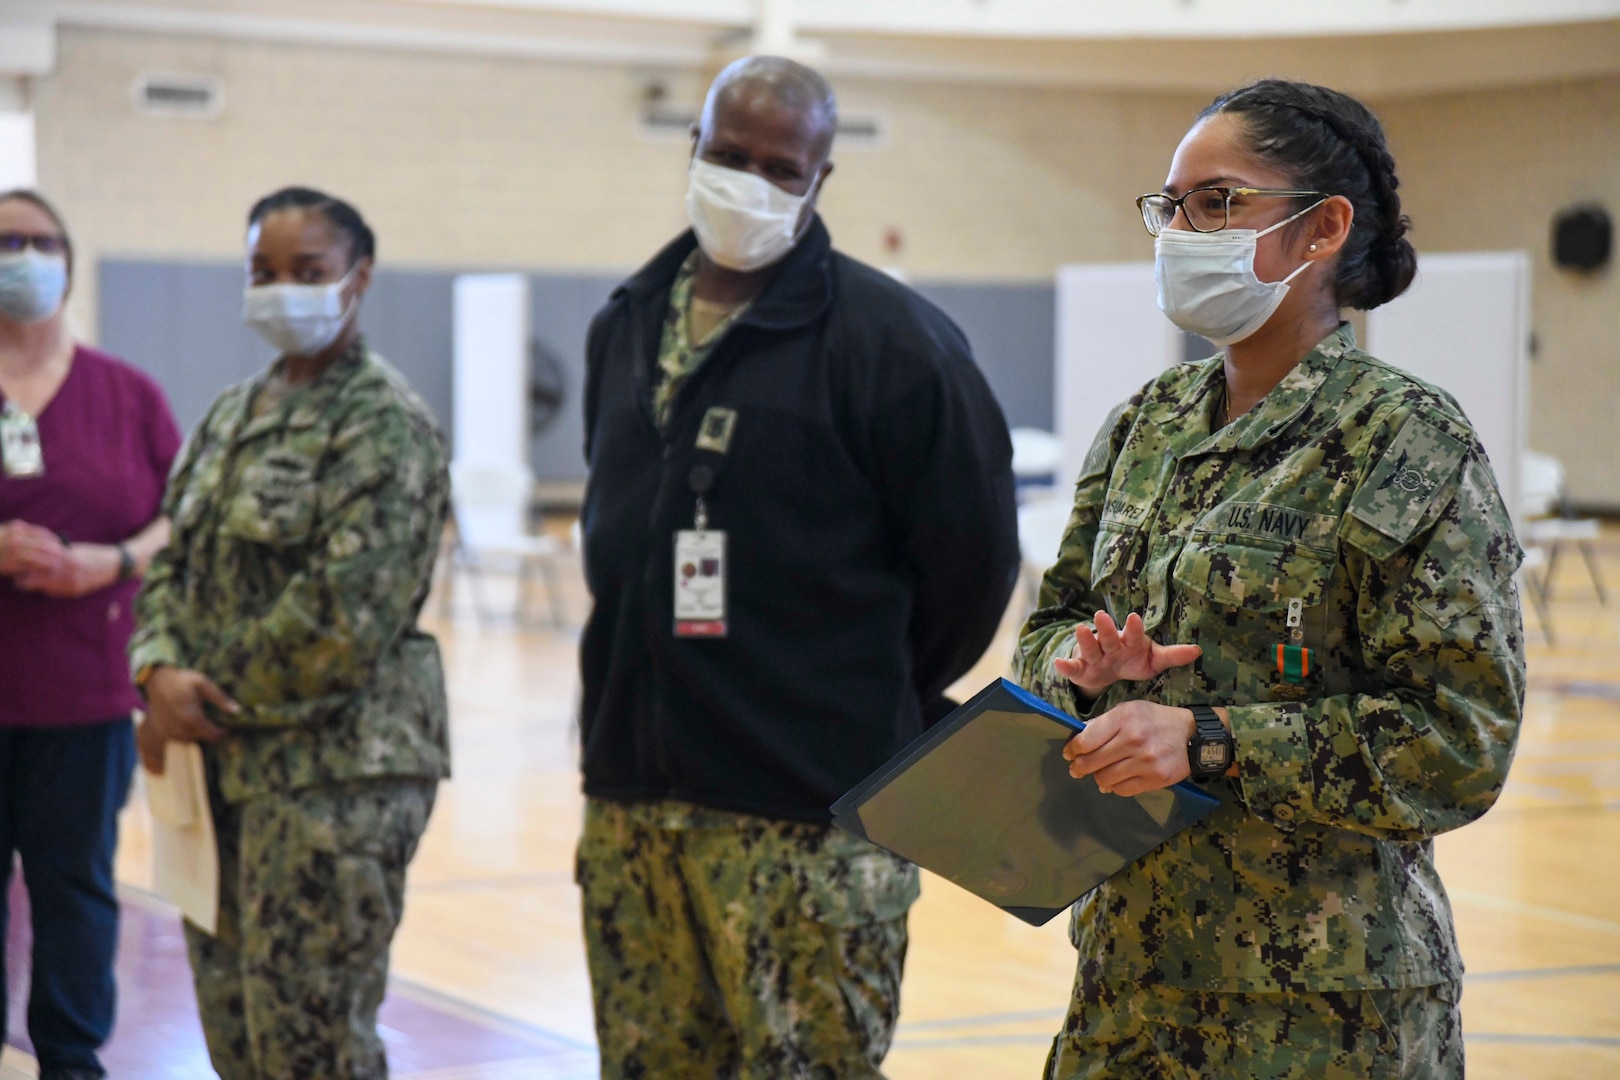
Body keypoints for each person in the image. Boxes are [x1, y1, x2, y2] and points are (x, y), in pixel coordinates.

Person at [1016, 79, 1525, 1079]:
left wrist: (1209, 739)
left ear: (1322, 228)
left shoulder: (1406, 436)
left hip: (1324, 1011)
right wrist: (1077, 673)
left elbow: (1460, 739)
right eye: (1171, 206)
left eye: (1217, 202)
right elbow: (1049, 631)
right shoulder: (1144, 424)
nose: (1180, 231)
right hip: (1128, 985)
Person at [576, 55, 1020, 1078]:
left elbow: (970, 570)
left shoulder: (897, 345)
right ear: (691, 148)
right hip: (634, 806)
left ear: (821, 181)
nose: (749, 182)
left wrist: (842, 691)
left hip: (810, 825)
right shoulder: (627, 320)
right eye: (728, 156)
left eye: (782, 168)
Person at [130, 186, 450, 1078]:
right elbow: (172, 563)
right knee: (235, 1037)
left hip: (332, 784)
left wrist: (198, 692)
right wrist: (155, 668)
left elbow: (342, 617)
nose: (282, 290)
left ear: (358, 278)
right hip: (219, 774)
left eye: (306, 271)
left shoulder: (385, 423)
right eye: (261, 271)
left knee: (312, 1047)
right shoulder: (232, 415)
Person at [0, 189, 180, 1080]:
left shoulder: (127, 394)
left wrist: (108, 561)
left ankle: (72, 1062)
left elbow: (174, 521)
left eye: (41, 242)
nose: (24, 258)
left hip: (84, 691)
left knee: (75, 888)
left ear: (68, 262)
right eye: (6, 242)